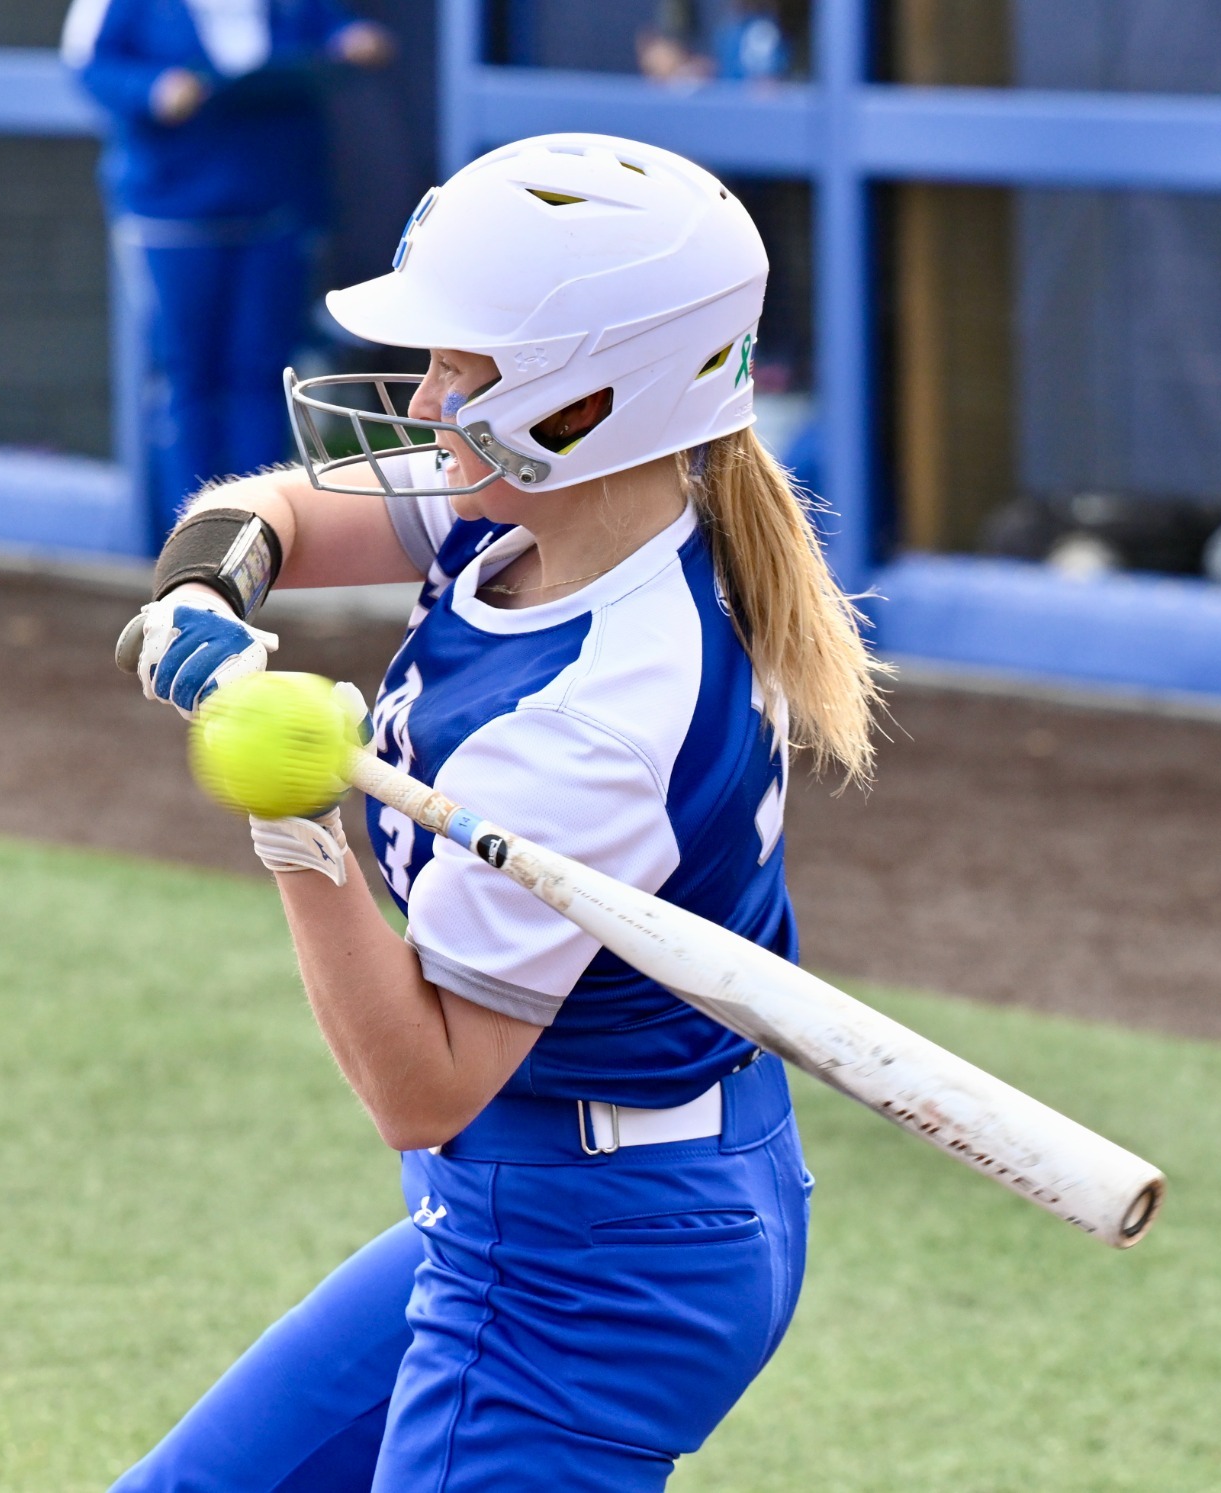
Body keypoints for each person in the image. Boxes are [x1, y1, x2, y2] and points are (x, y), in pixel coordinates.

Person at [110, 134, 886, 1491]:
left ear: (584, 399)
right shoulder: (543, 511)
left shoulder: (596, 715)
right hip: (548, 1195)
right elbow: (273, 507)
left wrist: (304, 833)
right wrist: (205, 591)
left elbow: (422, 1085)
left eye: (458, 368)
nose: (419, 397)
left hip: (598, 1263)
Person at [61, 0, 395, 542]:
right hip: (173, 205)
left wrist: (352, 40)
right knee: (186, 375)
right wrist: (155, 89)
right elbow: (89, 67)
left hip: (276, 198)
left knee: (263, 370)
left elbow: (329, 28)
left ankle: (259, 537)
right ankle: (187, 544)